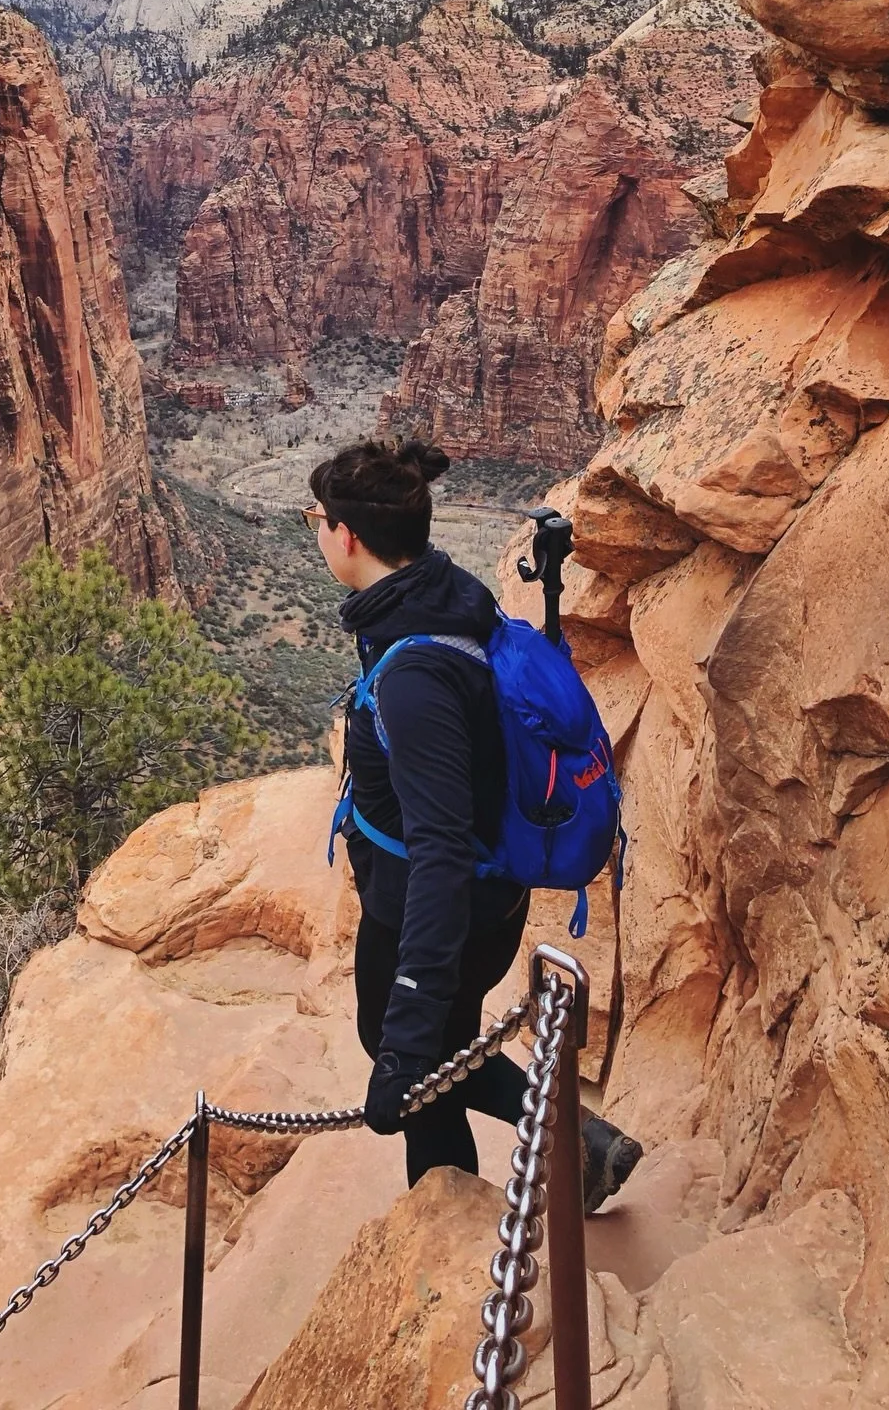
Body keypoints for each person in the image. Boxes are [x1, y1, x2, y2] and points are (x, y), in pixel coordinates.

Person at [307, 436, 641, 1208]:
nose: (316, 532)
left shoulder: (414, 676)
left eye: (317, 518)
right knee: (442, 1055)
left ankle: (447, 1258)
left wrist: (409, 1025)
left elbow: (441, 853)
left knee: (422, 1073)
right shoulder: (440, 590)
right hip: (493, 896)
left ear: (347, 536)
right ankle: (579, 1143)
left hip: (438, 909)